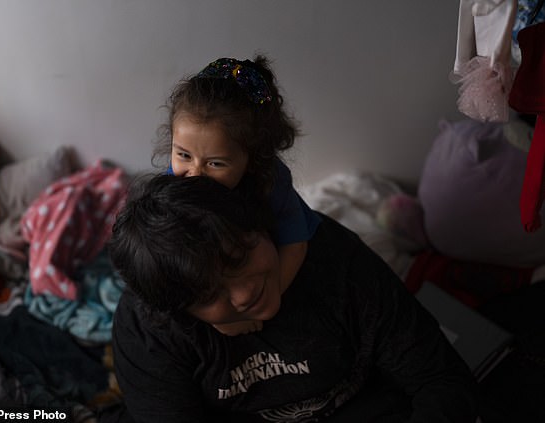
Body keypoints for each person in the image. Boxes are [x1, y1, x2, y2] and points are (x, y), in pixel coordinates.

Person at [108, 174, 480, 423]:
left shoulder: (330, 258)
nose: (243, 294)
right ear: (181, 310)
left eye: (240, 260)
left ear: (261, 226)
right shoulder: (148, 328)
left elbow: (439, 379)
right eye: (208, 295)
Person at [152, 55, 321, 335]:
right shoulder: (175, 181)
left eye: (215, 163)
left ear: (253, 160)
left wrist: (259, 307)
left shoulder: (272, 183)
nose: (195, 173)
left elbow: (296, 245)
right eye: (183, 154)